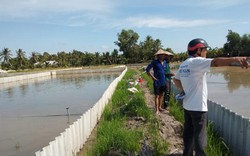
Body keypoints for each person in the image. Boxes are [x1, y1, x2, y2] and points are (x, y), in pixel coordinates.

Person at [173, 38, 249, 156]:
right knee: (200, 137)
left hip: (187, 106)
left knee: (188, 134)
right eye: (205, 50)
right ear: (198, 50)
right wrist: (236, 59)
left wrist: (183, 91)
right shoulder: (197, 62)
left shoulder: (184, 64)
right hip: (198, 107)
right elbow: (216, 62)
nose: (206, 53)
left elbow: (176, 79)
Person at [146, 49, 168, 114]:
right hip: (157, 82)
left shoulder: (165, 62)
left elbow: (164, 71)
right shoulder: (154, 62)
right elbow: (147, 70)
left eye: (163, 55)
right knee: (157, 96)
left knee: (161, 95)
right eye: (161, 55)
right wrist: (153, 77)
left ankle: (160, 107)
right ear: (158, 56)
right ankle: (156, 110)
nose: (163, 56)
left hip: (163, 82)